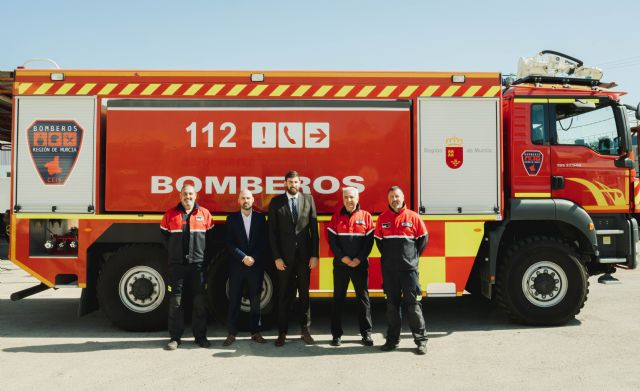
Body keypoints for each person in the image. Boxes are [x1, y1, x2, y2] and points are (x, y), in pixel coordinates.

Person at [374, 186, 429, 355]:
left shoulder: (413, 217)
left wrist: (411, 258)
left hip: (409, 271)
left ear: (403, 197)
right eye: (391, 197)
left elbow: (423, 240)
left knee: (413, 305)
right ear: (388, 199)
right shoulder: (382, 218)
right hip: (390, 271)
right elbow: (379, 242)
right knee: (392, 306)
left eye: (397, 196)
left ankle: (420, 341)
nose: (394, 199)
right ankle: (392, 341)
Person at [268, 170, 319, 347]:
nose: (293, 185)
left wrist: (314, 255)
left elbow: (314, 231)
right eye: (290, 182)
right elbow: (272, 234)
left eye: (296, 182)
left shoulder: (308, 199)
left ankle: (305, 331)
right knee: (284, 295)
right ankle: (282, 333)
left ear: (300, 183)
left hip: (304, 258)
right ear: (285, 183)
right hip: (284, 259)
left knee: (304, 295)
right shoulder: (276, 202)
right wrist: (276, 257)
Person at [160, 184, 213, 350]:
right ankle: (175, 338)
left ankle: (200, 337)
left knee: (199, 302)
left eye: (190, 194)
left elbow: (210, 239)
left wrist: (201, 258)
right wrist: (175, 255)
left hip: (198, 266)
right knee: (176, 302)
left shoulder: (205, 214)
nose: (187, 197)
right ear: (180, 196)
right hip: (177, 267)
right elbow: (165, 238)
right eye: (184, 194)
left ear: (195, 195)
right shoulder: (170, 214)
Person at [327, 187, 374, 347]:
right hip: (341, 265)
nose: (349, 200)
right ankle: (336, 335)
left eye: (352, 197)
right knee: (338, 299)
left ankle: (366, 334)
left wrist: (358, 259)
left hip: (360, 265)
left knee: (363, 299)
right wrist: (345, 259)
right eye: (346, 197)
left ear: (357, 198)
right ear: (343, 198)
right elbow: (333, 242)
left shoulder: (366, 217)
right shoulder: (336, 217)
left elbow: (369, 243)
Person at [223, 189, 268, 346]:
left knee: (256, 301)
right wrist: (243, 257)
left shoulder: (261, 218)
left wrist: (253, 257)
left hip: (255, 266)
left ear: (253, 200)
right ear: (238, 201)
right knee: (234, 299)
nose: (246, 200)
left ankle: (255, 332)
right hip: (237, 266)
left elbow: (264, 241)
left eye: (248, 198)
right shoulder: (232, 219)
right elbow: (229, 243)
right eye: (243, 198)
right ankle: (231, 333)